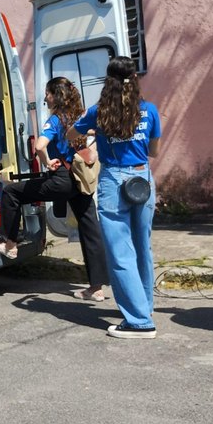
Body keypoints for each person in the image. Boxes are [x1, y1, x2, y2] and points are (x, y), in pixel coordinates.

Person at [0, 77, 109, 300]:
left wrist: (45, 160)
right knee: (90, 229)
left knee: (13, 192)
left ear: (56, 95)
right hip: (81, 179)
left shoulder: (55, 120)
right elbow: (95, 132)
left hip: (62, 179)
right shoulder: (79, 116)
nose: (45, 97)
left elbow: (39, 145)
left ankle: (10, 243)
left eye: (47, 93)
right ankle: (96, 288)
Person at [68, 56, 161, 339]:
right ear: (135, 79)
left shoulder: (98, 112)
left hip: (113, 180)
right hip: (141, 178)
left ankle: (139, 322)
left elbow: (72, 133)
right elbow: (154, 151)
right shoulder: (149, 110)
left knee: (121, 251)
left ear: (107, 81)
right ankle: (143, 306)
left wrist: (94, 132)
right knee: (142, 246)